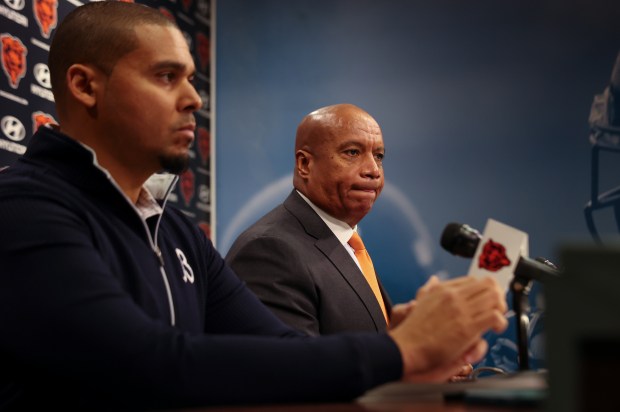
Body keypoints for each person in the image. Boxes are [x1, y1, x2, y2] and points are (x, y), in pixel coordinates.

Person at [0, 2, 508, 410]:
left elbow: (283, 349)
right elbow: (149, 365)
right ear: (85, 85)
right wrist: (400, 351)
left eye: (192, 79)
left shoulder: (175, 232)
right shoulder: (25, 207)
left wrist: (398, 349)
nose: (193, 99)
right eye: (165, 77)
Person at [226, 103, 396, 336]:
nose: (373, 170)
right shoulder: (269, 250)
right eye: (353, 152)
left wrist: (426, 364)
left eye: (378, 156)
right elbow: (295, 367)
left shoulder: (348, 245)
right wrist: (408, 367)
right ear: (305, 164)